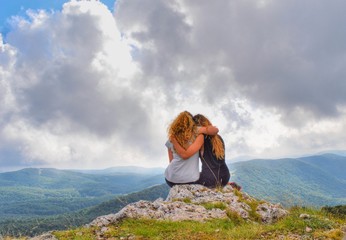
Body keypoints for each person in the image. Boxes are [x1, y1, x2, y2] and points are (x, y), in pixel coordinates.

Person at [172, 114, 231, 188]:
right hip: (225, 176)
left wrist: (175, 140)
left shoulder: (201, 138)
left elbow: (186, 154)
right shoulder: (218, 138)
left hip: (210, 180)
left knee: (186, 180)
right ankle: (226, 184)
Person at [164, 111, 218, 187]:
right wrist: (199, 129)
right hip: (190, 180)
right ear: (191, 122)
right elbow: (215, 130)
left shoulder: (171, 139)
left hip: (170, 179)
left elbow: (171, 161)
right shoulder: (196, 133)